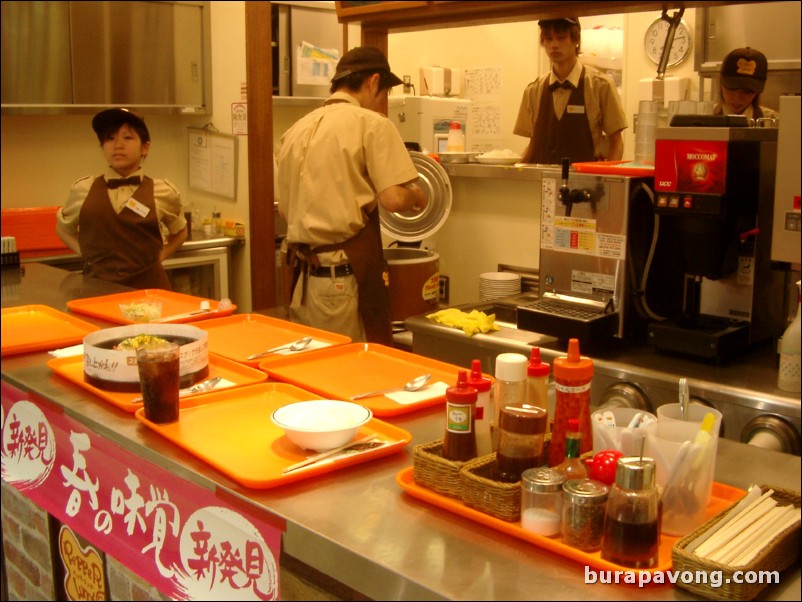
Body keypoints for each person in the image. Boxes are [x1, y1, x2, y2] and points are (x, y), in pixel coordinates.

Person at [277, 46, 426, 345]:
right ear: (373, 82)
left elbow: (284, 210)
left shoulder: (294, 131)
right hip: (341, 283)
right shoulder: (371, 125)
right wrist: (418, 197)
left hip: (301, 282)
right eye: (384, 95)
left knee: (311, 371)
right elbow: (393, 199)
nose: (382, 104)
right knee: (350, 376)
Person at [56, 108, 187, 290]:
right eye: (110, 138)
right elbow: (63, 229)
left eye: (127, 137)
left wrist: (159, 258)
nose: (117, 145)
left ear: (145, 147)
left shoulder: (163, 192)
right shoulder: (82, 189)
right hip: (97, 290)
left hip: (151, 292)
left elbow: (180, 232)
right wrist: (85, 253)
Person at [514, 17, 628, 165]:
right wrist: (514, 170)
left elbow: (616, 142)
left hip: (584, 182)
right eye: (548, 39)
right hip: (541, 183)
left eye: (561, 38)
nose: (554, 45)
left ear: (576, 40)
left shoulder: (600, 86)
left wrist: (607, 180)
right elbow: (533, 143)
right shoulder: (533, 89)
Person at [713, 47, 778, 121]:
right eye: (731, 88)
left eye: (747, 91)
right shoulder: (703, 119)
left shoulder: (772, 122)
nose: (737, 98)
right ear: (721, 84)